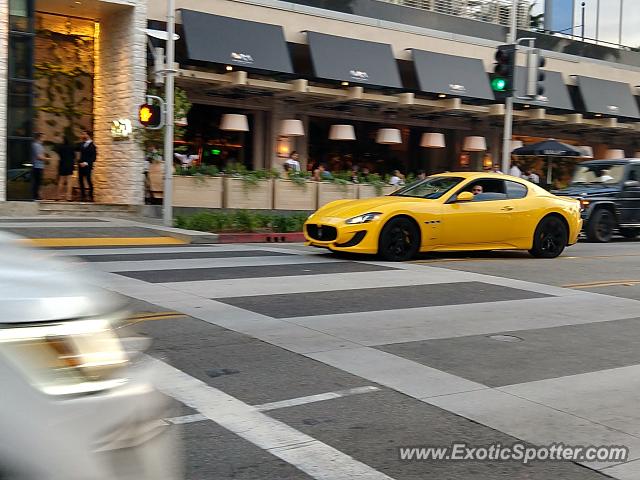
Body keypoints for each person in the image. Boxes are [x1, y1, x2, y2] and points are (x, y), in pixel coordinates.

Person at [77, 130, 97, 201]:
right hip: (80, 165)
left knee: (88, 180)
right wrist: (79, 162)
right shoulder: (81, 144)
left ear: (88, 135)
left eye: (84, 134)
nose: (83, 136)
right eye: (82, 134)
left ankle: (91, 196)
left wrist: (86, 163)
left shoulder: (93, 146)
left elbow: (93, 157)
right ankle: (83, 196)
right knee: (80, 180)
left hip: (88, 166)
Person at [55, 134, 75, 201]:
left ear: (63, 140)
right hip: (69, 164)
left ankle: (58, 196)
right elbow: (74, 156)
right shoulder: (71, 147)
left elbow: (58, 153)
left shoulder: (60, 147)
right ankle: (69, 197)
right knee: (69, 181)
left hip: (62, 164)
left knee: (61, 181)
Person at [31, 132, 47, 200]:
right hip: (37, 166)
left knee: (38, 182)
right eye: (43, 137)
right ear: (39, 137)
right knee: (37, 182)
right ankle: (35, 196)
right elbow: (39, 156)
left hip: (39, 166)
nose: (44, 138)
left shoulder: (40, 145)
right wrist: (46, 158)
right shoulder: (36, 145)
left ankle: (37, 196)